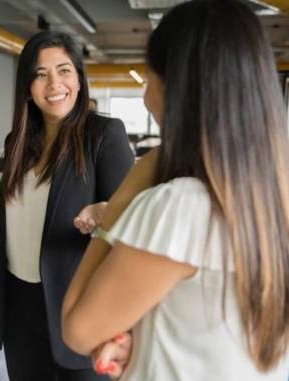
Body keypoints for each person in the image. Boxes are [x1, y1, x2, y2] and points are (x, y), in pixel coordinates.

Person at [62, 1, 289, 380]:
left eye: (149, 80)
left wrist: (128, 190)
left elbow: (77, 329)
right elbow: (212, 320)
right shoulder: (272, 196)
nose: (146, 97)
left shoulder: (183, 206)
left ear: (177, 89)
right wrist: (146, 339)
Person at [0, 31, 134, 380]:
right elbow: (20, 233)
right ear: (27, 87)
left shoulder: (103, 135)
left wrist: (104, 213)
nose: (54, 83)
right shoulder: (18, 143)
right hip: (20, 310)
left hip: (77, 313)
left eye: (64, 71)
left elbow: (133, 223)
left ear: (79, 79)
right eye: (40, 74)